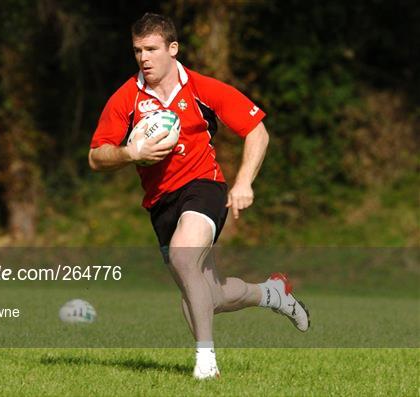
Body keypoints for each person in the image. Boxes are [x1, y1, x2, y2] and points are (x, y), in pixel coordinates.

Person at [88, 13, 310, 379]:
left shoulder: (203, 89)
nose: (144, 57)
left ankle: (206, 362)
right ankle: (272, 293)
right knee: (208, 296)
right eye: (137, 50)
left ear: (172, 49)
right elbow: (96, 156)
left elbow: (257, 131)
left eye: (152, 49)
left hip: (203, 187)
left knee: (183, 255)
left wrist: (243, 183)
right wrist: (130, 154)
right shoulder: (126, 98)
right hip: (160, 203)